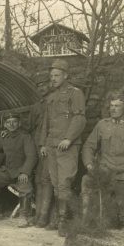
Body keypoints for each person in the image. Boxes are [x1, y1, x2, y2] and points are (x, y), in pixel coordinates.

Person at [81, 94, 124, 228]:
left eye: (117, 106)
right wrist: (89, 164)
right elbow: (88, 146)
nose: (113, 109)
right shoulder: (102, 125)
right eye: (111, 106)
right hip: (105, 173)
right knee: (104, 214)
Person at [39, 59, 86, 237]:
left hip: (66, 146)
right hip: (52, 145)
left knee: (64, 183)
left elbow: (79, 118)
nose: (53, 78)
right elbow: (46, 122)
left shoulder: (75, 93)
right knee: (56, 183)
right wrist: (43, 143)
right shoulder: (51, 97)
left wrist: (69, 138)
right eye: (51, 76)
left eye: (57, 75)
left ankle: (63, 222)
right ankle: (58, 218)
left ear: (66, 75)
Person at [0, 113, 37, 225]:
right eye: (8, 122)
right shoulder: (4, 136)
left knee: (25, 188)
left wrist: (25, 172)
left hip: (21, 171)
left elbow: (32, 156)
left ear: (19, 123)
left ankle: (23, 216)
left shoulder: (25, 137)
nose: (11, 124)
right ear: (5, 125)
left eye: (14, 121)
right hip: (8, 172)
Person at [29, 81, 54, 228]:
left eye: (45, 84)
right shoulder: (36, 107)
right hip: (38, 146)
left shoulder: (55, 104)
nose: (42, 88)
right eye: (39, 86)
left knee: (48, 179)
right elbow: (31, 127)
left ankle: (46, 216)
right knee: (38, 180)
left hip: (50, 146)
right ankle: (38, 214)